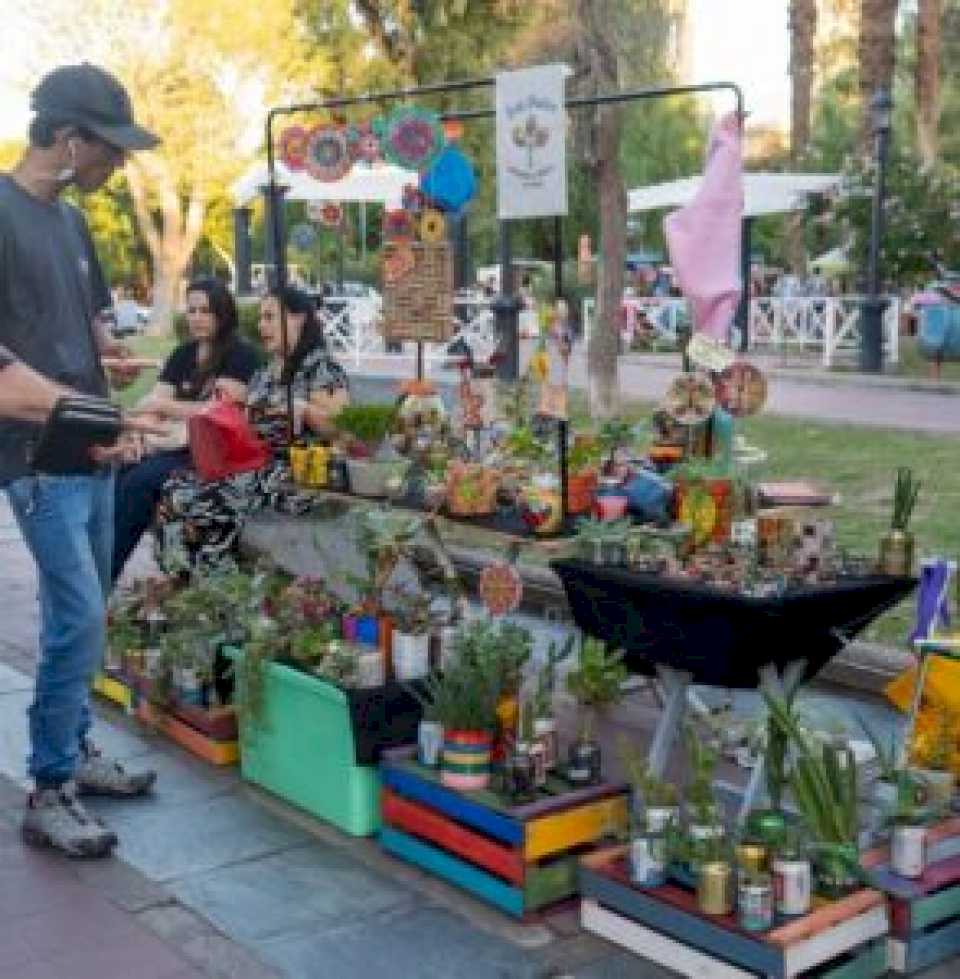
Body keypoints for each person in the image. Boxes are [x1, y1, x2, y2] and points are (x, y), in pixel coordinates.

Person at [1, 63, 160, 859]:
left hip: (92, 447)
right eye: (110, 150)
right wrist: (82, 404)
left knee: (91, 606)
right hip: (36, 457)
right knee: (78, 617)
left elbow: (85, 322)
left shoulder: (69, 223)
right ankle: (49, 785)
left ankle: (77, 748)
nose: (116, 165)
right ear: (68, 140)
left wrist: (108, 357)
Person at [156, 285, 349, 573]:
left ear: (298, 319)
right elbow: (250, 422)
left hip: (300, 472)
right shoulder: (266, 370)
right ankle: (187, 581)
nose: (262, 325)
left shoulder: (320, 368)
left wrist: (305, 410)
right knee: (175, 487)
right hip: (256, 464)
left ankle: (213, 583)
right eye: (261, 318)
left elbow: (342, 431)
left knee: (199, 499)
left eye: (270, 317)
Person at [111, 278, 261, 581]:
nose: (196, 318)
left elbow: (217, 413)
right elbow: (155, 401)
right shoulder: (183, 354)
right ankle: (98, 575)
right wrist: (139, 435)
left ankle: (103, 576)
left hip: (214, 451)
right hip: (174, 445)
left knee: (141, 481)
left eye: (205, 311)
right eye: (191, 310)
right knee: (122, 471)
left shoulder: (241, 355)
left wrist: (165, 409)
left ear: (223, 313)